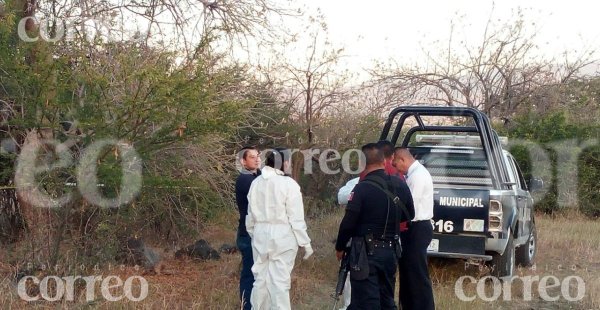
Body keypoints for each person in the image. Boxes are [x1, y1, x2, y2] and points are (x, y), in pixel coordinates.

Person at [335, 143, 415, 309]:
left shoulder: (361, 189)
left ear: (363, 164)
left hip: (365, 254)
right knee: (386, 300)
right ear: (384, 161)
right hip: (391, 251)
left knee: (366, 301)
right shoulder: (400, 184)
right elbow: (410, 214)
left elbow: (348, 223)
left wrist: (340, 247)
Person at [246, 148, 313, 310]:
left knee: (260, 279)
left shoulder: (256, 183)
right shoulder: (289, 184)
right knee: (280, 282)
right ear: (284, 163)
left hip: (260, 233)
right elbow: (296, 219)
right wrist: (305, 243)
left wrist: (255, 234)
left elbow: (250, 217)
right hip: (283, 235)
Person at [392, 147, 435, 310]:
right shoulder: (415, 174)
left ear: (402, 159)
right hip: (414, 227)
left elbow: (409, 208)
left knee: (416, 275)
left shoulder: (416, 177)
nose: (395, 168)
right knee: (408, 273)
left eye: (395, 163)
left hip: (417, 227)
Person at [235, 146, 261, 310]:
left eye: (258, 156)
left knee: (255, 273)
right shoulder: (245, 179)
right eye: (252, 157)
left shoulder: (256, 176)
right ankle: (247, 307)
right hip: (247, 234)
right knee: (250, 273)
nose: (257, 159)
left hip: (254, 233)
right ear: (243, 162)